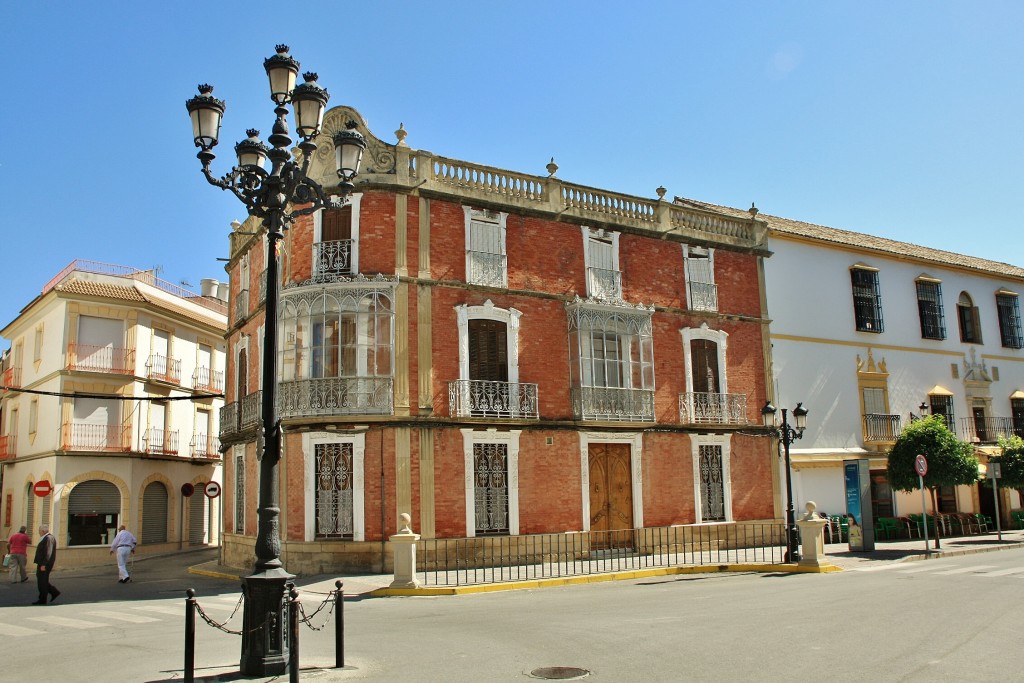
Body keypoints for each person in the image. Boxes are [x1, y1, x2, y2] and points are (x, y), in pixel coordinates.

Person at [32, 525, 59, 605]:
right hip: (42, 563)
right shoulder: (46, 538)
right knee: (42, 579)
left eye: (39, 531)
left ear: (43, 531)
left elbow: (48, 552)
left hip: (45, 564)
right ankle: (53, 592)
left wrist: (44, 564)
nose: (39, 533)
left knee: (42, 581)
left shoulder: (49, 538)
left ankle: (43, 598)